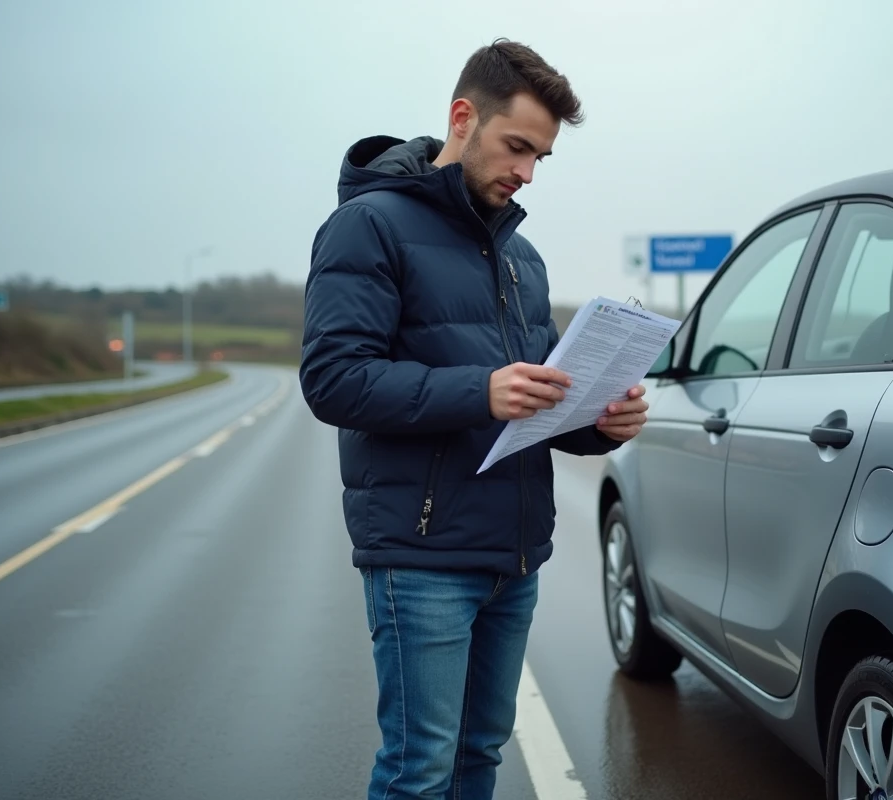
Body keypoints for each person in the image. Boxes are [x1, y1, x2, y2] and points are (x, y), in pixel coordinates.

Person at [299, 38, 650, 800]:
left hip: (512, 554)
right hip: (420, 555)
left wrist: (601, 420)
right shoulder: (368, 227)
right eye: (516, 147)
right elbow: (332, 381)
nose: (526, 173)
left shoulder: (522, 256)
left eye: (540, 159)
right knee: (418, 769)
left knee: (479, 757)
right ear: (463, 118)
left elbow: (541, 395)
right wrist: (479, 391)